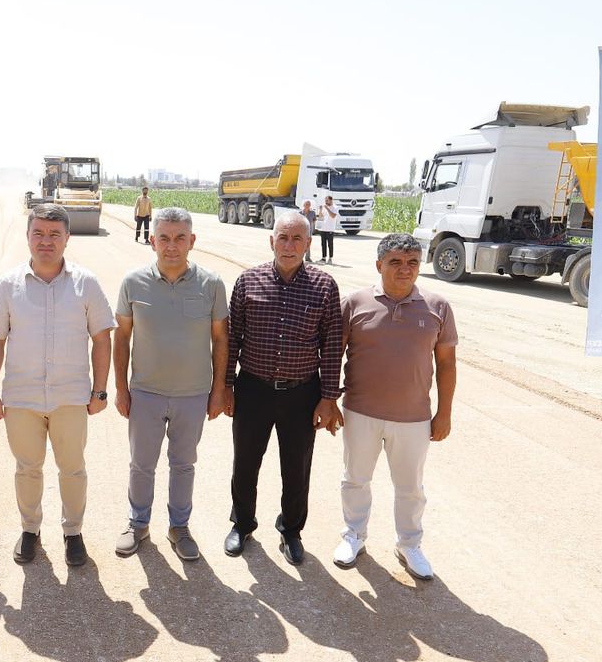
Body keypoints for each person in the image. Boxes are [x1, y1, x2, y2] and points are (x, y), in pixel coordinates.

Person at [0, 203, 116, 567]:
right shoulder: (8, 285)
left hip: (70, 397)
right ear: (27, 237)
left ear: (67, 238)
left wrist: (100, 390)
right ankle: (30, 530)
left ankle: (73, 533)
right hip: (21, 397)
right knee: (27, 468)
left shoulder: (86, 283)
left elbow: (101, 339)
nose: (46, 241)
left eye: (55, 234)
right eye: (38, 233)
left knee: (72, 468)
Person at [333, 233, 457, 581]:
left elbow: (446, 363)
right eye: (396, 262)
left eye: (412, 262)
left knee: (411, 487)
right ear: (379, 265)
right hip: (360, 412)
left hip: (413, 418)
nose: (405, 269)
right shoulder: (354, 303)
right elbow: (332, 354)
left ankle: (409, 544)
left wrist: (444, 413)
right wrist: (328, 399)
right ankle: (354, 535)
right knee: (355, 479)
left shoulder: (437, 307)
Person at [224, 210, 343, 565]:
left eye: (296, 239)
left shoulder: (324, 286)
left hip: (301, 393)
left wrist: (328, 398)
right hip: (253, 389)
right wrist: (226, 386)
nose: (288, 246)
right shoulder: (248, 281)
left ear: (308, 244)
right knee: (245, 462)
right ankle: (242, 523)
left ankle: (291, 530)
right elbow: (232, 339)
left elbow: (332, 346)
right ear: (271, 241)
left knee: (296, 467)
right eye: (282, 238)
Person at [112, 207, 229, 561]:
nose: (172, 246)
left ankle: (179, 527)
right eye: (164, 238)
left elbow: (221, 340)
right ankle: (138, 523)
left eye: (180, 238)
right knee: (141, 464)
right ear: (152, 241)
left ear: (192, 241)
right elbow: (122, 338)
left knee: (183, 464)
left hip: (192, 395)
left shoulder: (211, 284)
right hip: (145, 393)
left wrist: (218, 391)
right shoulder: (133, 282)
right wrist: (121, 389)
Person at [315, 195, 338, 264]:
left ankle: (330, 258)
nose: (326, 202)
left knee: (330, 244)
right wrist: (320, 210)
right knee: (323, 244)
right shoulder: (324, 207)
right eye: (325, 200)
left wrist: (327, 208)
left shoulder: (335, 207)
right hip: (323, 228)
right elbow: (320, 216)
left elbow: (333, 216)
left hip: (330, 229)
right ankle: (323, 258)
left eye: (327, 200)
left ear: (331, 200)